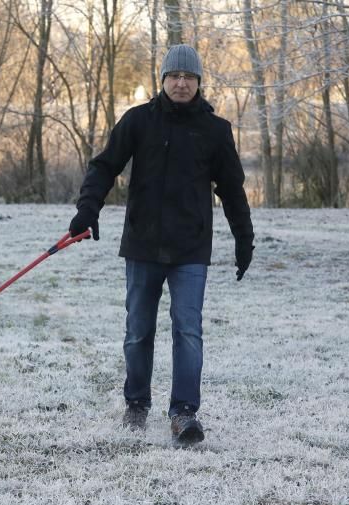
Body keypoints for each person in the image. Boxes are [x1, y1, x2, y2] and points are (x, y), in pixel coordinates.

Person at [68, 44, 255, 444]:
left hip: (190, 248)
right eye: (174, 76)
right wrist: (88, 209)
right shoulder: (138, 121)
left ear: (199, 83)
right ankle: (136, 404)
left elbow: (233, 190)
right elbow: (104, 166)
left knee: (188, 330)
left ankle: (184, 414)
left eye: (189, 77)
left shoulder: (215, 130)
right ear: (163, 80)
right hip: (143, 246)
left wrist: (244, 237)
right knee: (138, 331)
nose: (182, 83)